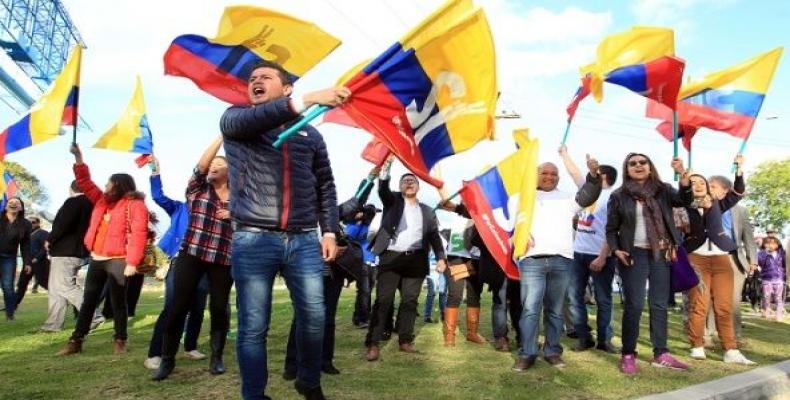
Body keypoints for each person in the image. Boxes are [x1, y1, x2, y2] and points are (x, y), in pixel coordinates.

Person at [220, 59, 346, 400]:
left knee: (315, 318)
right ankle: (254, 395)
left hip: (304, 240)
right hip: (253, 239)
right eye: (253, 78)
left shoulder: (311, 134)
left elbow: (326, 186)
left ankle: (308, 380)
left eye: (266, 77)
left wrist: (330, 231)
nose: (255, 81)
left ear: (286, 86)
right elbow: (255, 118)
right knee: (253, 327)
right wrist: (305, 99)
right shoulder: (237, 120)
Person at [56, 143, 149, 355]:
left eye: (109, 184)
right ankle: (76, 341)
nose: (105, 186)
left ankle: (120, 340)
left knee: (118, 303)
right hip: (97, 259)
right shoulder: (101, 200)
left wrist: (132, 262)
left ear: (119, 185)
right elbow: (84, 182)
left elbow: (139, 233)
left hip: (119, 260)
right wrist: (79, 157)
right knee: (89, 301)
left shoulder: (135, 206)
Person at [153, 137, 233, 381]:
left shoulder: (240, 195)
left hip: (222, 257)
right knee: (178, 306)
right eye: (211, 164)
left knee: (219, 307)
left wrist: (234, 214)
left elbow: (252, 220)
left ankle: (216, 357)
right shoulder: (197, 188)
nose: (212, 166)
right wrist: (222, 137)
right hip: (192, 254)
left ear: (231, 171)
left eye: (219, 164)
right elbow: (200, 165)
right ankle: (167, 360)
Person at [512, 156, 602, 372]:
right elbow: (507, 223)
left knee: (554, 311)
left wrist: (593, 176)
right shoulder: (522, 197)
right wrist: (519, 237)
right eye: (544, 173)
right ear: (536, 175)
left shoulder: (567, 199)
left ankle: (552, 351)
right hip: (531, 260)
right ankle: (527, 353)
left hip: (561, 259)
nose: (549, 177)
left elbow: (589, 195)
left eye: (554, 174)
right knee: (530, 310)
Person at [606, 153, 691, 375]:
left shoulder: (663, 191)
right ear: (627, 170)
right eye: (632, 163)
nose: (638, 166)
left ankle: (660, 353)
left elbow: (685, 200)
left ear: (650, 167)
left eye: (642, 162)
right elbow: (611, 229)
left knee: (659, 304)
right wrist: (616, 249)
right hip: (633, 254)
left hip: (661, 253)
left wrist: (683, 175)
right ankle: (628, 354)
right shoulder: (618, 195)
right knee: (634, 305)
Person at [365, 157, 448, 362]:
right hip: (391, 258)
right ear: (399, 187)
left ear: (419, 187)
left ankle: (405, 340)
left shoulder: (428, 211)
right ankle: (373, 343)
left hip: (416, 260)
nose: (409, 182)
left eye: (413, 181)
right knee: (384, 301)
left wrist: (440, 258)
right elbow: (383, 188)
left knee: (410, 302)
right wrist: (386, 168)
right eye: (405, 181)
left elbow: (434, 237)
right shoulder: (392, 200)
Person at [684, 156, 755, 365]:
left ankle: (731, 350)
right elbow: (681, 197)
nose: (697, 185)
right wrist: (683, 176)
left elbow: (738, 192)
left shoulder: (718, 204)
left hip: (722, 259)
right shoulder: (684, 205)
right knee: (699, 305)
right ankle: (697, 346)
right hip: (697, 259)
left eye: (701, 182)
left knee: (724, 306)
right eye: (693, 182)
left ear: (707, 186)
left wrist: (740, 170)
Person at [144, 156, 209, 370]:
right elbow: (157, 196)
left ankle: (190, 346)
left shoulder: (212, 211)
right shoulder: (179, 208)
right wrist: (155, 173)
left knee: (198, 306)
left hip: (205, 261)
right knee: (173, 307)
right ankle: (155, 353)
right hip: (181, 260)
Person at [559, 145, 619, 354]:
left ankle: (605, 339)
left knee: (603, 299)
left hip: (601, 255)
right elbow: (574, 172)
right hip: (578, 254)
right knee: (575, 297)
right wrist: (564, 154)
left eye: (595, 173)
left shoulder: (613, 198)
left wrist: (603, 256)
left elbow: (614, 230)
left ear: (603, 176)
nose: (590, 176)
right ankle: (584, 337)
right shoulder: (588, 190)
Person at [705, 175, 758, 346]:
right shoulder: (704, 206)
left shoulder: (741, 211)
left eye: (713, 186)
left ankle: (734, 336)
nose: (709, 189)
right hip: (710, 255)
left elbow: (748, 236)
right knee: (711, 297)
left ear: (725, 190)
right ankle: (708, 334)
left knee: (733, 299)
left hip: (734, 258)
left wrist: (753, 260)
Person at [39, 181, 96, 332]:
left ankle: (93, 316)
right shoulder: (91, 204)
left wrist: (50, 239)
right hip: (79, 251)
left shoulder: (73, 202)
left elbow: (63, 224)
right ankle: (53, 324)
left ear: (71, 188)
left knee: (65, 286)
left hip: (66, 251)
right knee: (56, 288)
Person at [436, 205, 486, 347]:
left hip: (476, 260)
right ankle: (450, 335)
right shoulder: (452, 218)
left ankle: (472, 333)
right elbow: (439, 235)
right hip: (455, 257)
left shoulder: (482, 217)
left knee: (474, 296)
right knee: (455, 295)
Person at [0, 197, 32, 321]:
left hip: (9, 258)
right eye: (10, 202)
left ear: (21, 207)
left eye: (16, 203)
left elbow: (25, 245)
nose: (13, 204)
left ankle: (10, 314)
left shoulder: (25, 224)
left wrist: (27, 263)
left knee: (7, 286)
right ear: (6, 205)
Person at [16, 216, 49, 306]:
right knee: (21, 285)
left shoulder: (43, 233)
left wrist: (37, 258)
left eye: (33, 222)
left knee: (47, 284)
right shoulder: (25, 234)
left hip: (41, 264)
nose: (31, 224)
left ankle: (74, 306)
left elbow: (45, 248)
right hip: (28, 264)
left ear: (38, 223)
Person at [758, 236, 786, 321]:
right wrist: (766, 254)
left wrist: (784, 275)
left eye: (773, 243)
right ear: (764, 244)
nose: (770, 245)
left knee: (778, 298)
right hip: (766, 278)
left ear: (777, 245)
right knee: (766, 297)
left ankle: (779, 315)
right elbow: (760, 263)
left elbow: (785, 264)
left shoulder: (781, 253)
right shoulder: (761, 253)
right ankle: (766, 311)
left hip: (778, 278)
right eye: (768, 243)